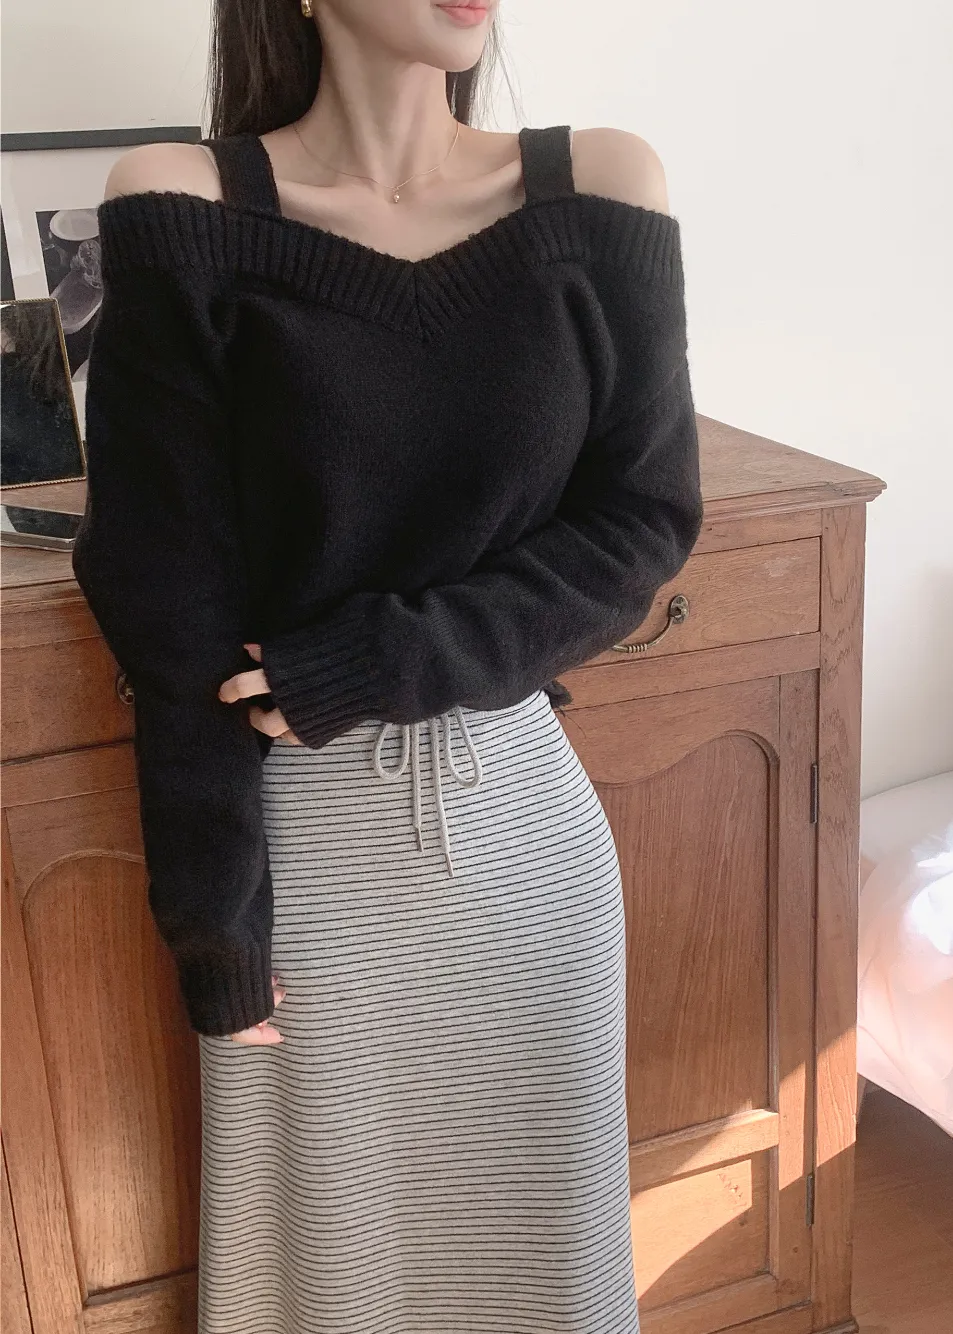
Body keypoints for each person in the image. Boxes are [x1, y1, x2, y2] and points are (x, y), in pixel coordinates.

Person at [71, 1, 703, 1329]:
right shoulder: (180, 207)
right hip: (308, 872)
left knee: (549, 1278)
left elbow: (643, 522)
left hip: (529, 847)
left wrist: (388, 656)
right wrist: (215, 927)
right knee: (332, 1284)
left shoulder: (603, 186)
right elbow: (167, 604)